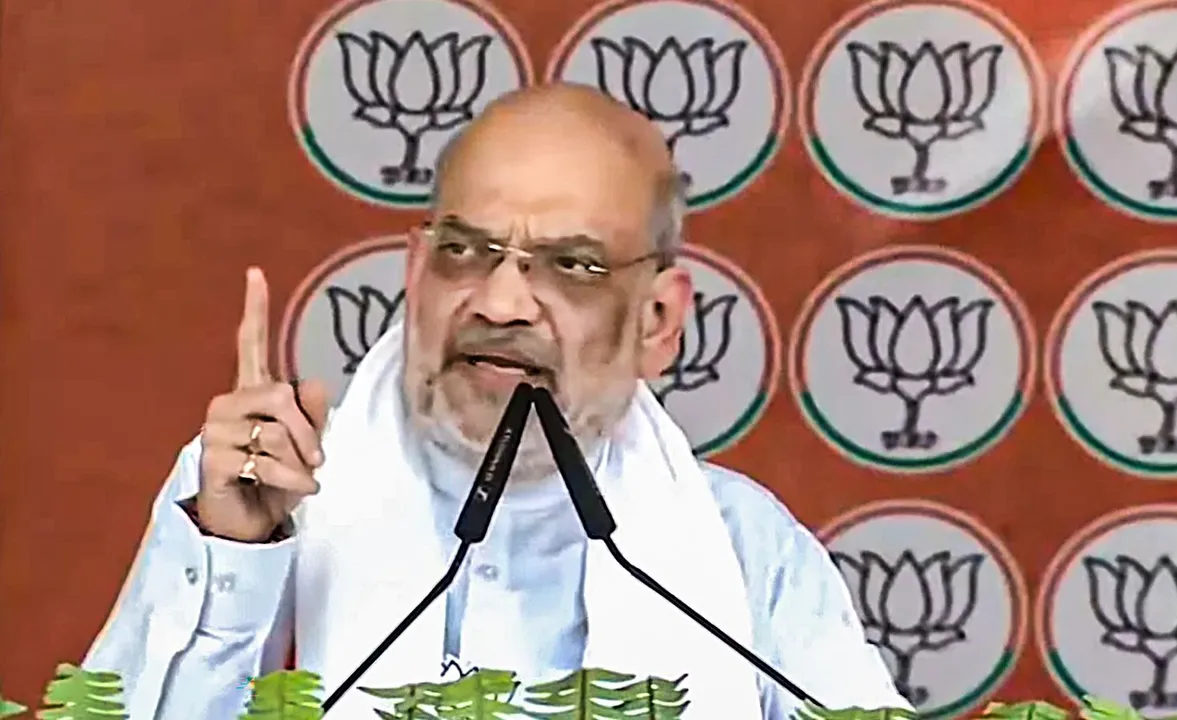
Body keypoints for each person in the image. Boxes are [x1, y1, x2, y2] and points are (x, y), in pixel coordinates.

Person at [83, 83, 910, 720]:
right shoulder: (262, 501)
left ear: (658, 321)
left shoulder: (742, 553)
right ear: (416, 277)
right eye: (466, 252)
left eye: (572, 265)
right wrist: (232, 559)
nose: (503, 302)